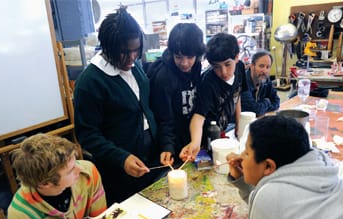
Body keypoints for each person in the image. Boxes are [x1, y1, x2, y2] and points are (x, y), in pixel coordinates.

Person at [74, 7, 166, 205]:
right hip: (120, 170)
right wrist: (121, 158)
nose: (132, 57)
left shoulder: (135, 66)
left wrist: (164, 144)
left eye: (136, 50)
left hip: (151, 158)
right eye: (125, 52)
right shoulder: (90, 82)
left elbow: (147, 109)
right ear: (107, 47)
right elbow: (87, 135)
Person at [7, 134, 107, 219]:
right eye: (70, 170)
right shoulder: (19, 216)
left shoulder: (88, 173)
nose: (79, 169)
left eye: (75, 162)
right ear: (45, 184)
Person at [179, 32, 247, 161]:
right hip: (207, 137)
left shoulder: (240, 68)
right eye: (216, 67)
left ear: (237, 57)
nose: (223, 72)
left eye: (227, 64)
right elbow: (198, 116)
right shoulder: (208, 82)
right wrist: (195, 143)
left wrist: (239, 125)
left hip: (225, 130)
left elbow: (237, 96)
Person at [147, 23, 206, 165]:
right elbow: (164, 118)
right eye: (178, 57)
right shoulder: (163, 77)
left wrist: (196, 140)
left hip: (191, 137)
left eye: (190, 57)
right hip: (172, 141)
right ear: (171, 51)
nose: (185, 63)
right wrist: (167, 146)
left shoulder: (196, 66)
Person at [240, 50, 280, 117]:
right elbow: (255, 111)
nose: (265, 71)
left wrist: (261, 106)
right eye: (261, 66)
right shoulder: (242, 82)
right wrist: (267, 102)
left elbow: (276, 101)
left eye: (268, 67)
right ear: (252, 66)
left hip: (257, 120)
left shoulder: (265, 79)